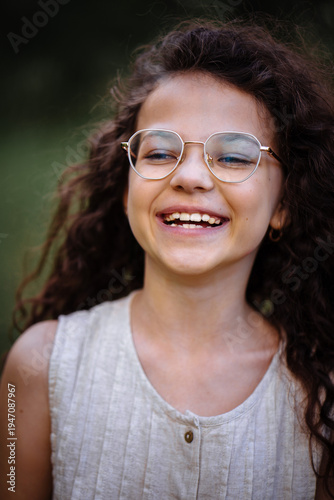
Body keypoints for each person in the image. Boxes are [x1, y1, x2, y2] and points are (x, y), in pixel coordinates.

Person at [0, 16, 334, 500]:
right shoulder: (38, 368)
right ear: (125, 187)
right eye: (159, 153)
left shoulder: (322, 398)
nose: (191, 176)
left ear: (283, 204)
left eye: (235, 157)